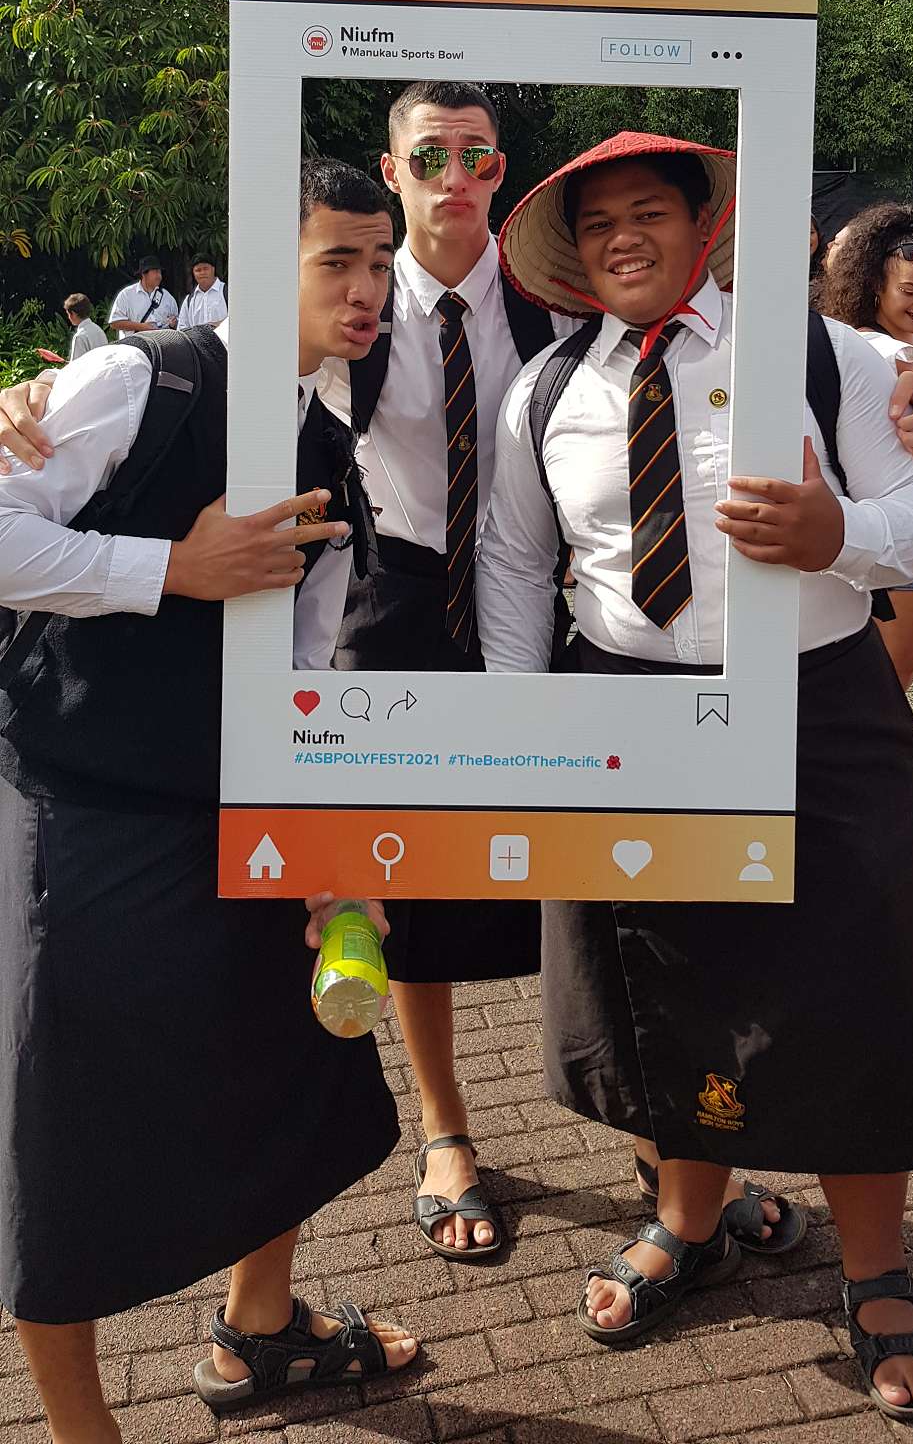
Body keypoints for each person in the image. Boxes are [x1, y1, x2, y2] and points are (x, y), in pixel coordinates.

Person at [477, 131, 913, 1420]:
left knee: (855, 979)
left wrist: (839, 533)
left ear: (705, 226)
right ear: (574, 252)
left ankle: (876, 1264)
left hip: (816, 702)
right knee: (660, 975)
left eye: (649, 210)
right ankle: (687, 1219)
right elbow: (516, 563)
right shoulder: (545, 387)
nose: (622, 237)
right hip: (624, 709)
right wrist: (522, 731)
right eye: (597, 223)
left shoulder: (826, 356)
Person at [0, 157, 418, 1441]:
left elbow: (305, 661)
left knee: (287, 1068)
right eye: (336, 259)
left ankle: (261, 1324)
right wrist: (169, 566)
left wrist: (327, 845)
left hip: (234, 812)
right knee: (59, 1135)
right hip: (79, 802)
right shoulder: (146, 380)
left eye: (380, 261)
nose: (364, 288)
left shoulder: (326, 438)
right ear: (260, 259)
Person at [317, 80, 570, 1261]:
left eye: (477, 156)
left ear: (502, 168)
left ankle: (638, 1119)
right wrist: (42, 397)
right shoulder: (353, 309)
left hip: (536, 597)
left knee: (574, 867)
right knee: (404, 876)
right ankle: (445, 1124)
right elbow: (221, 373)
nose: (454, 178)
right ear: (393, 167)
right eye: (429, 156)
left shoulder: (553, 300)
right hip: (396, 599)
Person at [823, 203, 913, 696]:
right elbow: (911, 379)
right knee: (891, 674)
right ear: (873, 285)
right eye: (909, 290)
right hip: (890, 534)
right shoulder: (873, 346)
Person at [108, 255, 178, 338]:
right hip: (133, 344)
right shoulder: (126, 295)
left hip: (161, 344)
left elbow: (178, 324)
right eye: (155, 272)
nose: (159, 276)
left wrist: (173, 324)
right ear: (144, 274)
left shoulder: (167, 297)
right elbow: (114, 323)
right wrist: (142, 327)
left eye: (160, 272)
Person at [177, 253, 227, 329]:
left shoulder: (227, 292)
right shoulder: (189, 300)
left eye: (205, 269)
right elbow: (182, 328)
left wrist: (220, 325)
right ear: (193, 273)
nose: (202, 273)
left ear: (213, 269)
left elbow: (239, 319)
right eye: (198, 270)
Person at [63, 294, 108, 362]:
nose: (69, 318)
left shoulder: (79, 336)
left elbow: (77, 364)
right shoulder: (99, 330)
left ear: (73, 314)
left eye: (68, 314)